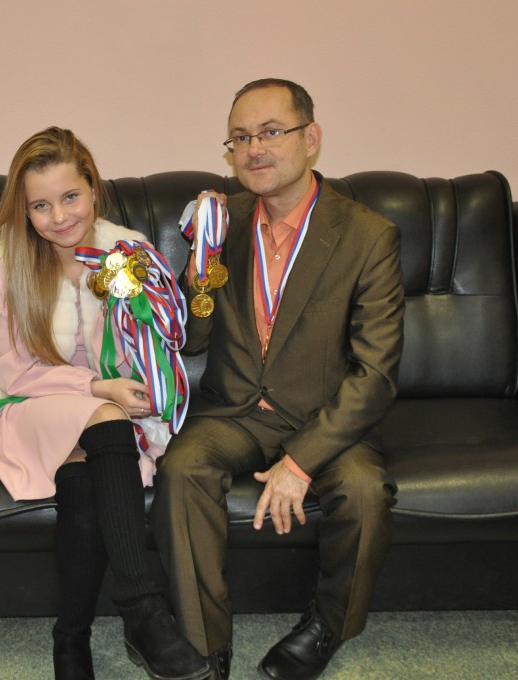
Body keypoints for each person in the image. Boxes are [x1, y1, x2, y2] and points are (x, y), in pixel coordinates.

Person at [151, 79, 404, 680]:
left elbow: (375, 372)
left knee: (364, 492)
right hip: (235, 410)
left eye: (270, 133)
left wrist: (301, 462)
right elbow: (191, 340)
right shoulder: (222, 220)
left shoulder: (368, 235)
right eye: (239, 138)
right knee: (181, 470)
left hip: (324, 416)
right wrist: (200, 271)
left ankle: (326, 627)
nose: (253, 150)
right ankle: (206, 645)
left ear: (310, 138)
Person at [0, 127, 209, 680]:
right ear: (24, 209)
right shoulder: (11, 262)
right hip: (22, 405)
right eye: (40, 205)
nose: (59, 217)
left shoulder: (122, 255)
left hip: (105, 424)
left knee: (84, 480)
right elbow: (14, 371)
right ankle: (143, 610)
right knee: (104, 417)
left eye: (70, 197)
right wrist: (96, 389)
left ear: (93, 189)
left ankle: (70, 637)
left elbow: (150, 345)